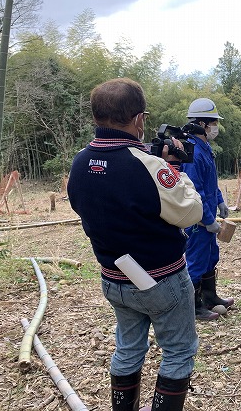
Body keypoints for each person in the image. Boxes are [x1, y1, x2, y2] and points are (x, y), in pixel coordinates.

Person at [68, 78, 204, 411]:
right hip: (162, 279)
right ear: (139, 120)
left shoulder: (79, 162)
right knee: (178, 351)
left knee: (128, 347)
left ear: (97, 116)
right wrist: (172, 168)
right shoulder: (150, 165)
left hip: (114, 279)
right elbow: (191, 212)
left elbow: (83, 203)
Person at [181, 98, 235, 321]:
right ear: (202, 124)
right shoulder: (192, 152)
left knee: (211, 257)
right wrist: (207, 218)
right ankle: (193, 307)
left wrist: (221, 201)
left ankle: (210, 298)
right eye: (213, 122)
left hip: (209, 217)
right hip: (198, 222)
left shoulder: (205, 148)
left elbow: (211, 184)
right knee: (196, 259)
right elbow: (196, 190)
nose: (216, 127)